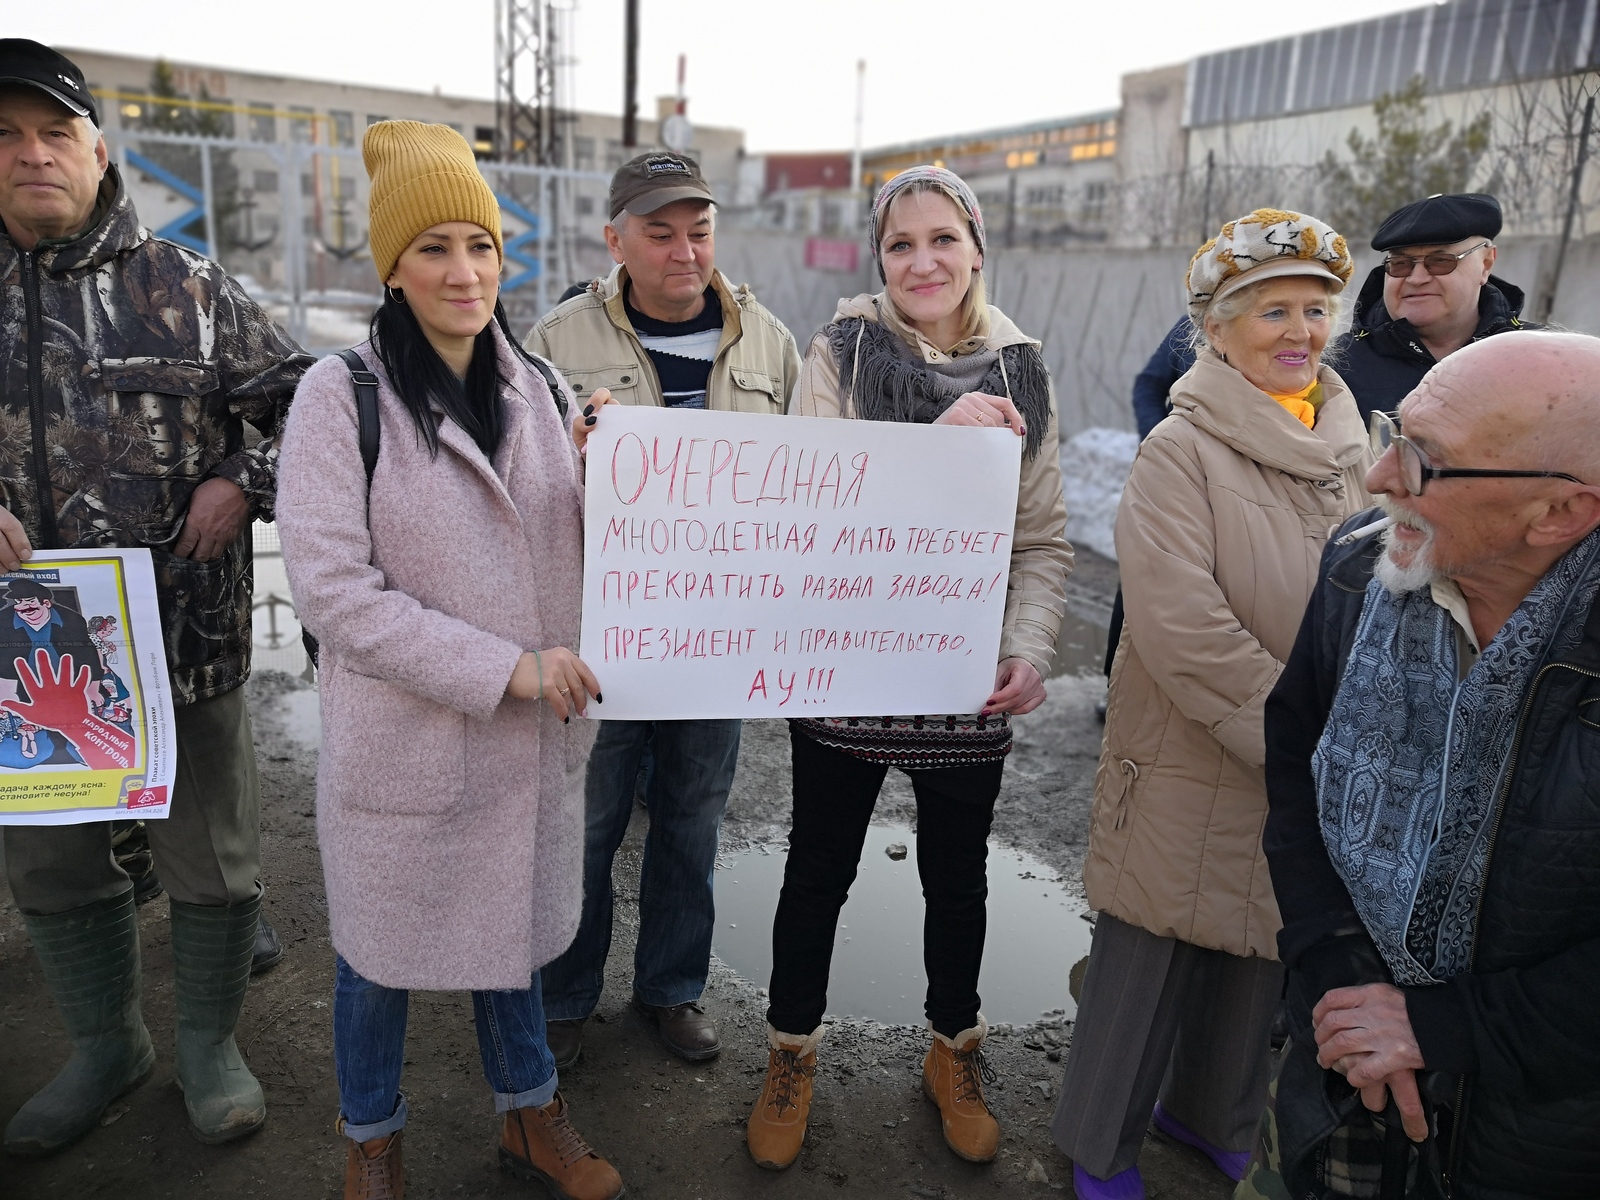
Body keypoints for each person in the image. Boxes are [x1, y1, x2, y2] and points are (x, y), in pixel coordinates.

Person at [276, 121, 622, 1200]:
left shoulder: (550, 395)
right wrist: (503, 671)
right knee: (377, 962)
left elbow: (592, 546)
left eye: (479, 244)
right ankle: (371, 1137)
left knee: (507, 940)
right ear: (391, 264)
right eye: (432, 248)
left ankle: (529, 1114)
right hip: (414, 747)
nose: (462, 272)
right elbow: (335, 593)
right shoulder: (343, 398)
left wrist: (618, 474)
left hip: (524, 749)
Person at [0, 40, 311, 1154]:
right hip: (31, 669)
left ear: (97, 148)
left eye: (53, 133)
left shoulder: (184, 286)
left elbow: (306, 410)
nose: (30, 154)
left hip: (187, 639)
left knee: (211, 858)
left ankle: (205, 1048)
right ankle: (106, 1046)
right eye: (5, 136)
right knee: (54, 861)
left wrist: (239, 479)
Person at [740, 165, 1072, 1171]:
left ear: (977, 246)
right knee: (818, 872)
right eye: (899, 243)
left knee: (956, 878)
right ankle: (790, 1051)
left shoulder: (1024, 371)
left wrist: (1028, 646)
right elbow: (817, 508)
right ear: (877, 258)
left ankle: (952, 1049)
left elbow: (1043, 541)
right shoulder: (839, 354)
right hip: (847, 667)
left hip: (962, 682)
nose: (920, 260)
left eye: (941, 238)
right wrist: (938, 444)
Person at [1051, 209, 1375, 1200]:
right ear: (1218, 331)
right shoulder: (1179, 453)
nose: (1299, 330)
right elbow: (1179, 628)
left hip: (1298, 761)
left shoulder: (1354, 447)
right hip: (1199, 755)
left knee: (1254, 959)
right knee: (1147, 962)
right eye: (1271, 309)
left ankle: (1209, 1115)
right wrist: (1300, 738)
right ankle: (1095, 1143)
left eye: (1315, 309)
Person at [1243, 331, 1600, 1200]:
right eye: (1391, 432)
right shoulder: (1359, 569)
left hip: (1535, 1137)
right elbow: (1295, 773)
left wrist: (1447, 1026)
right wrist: (1335, 971)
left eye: (1426, 461)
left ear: (1557, 513)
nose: (1379, 478)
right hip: (1333, 1081)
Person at [523, 151, 803, 1068]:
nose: (684, 251)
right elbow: (519, 488)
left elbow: (809, 485)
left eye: (699, 229)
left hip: (715, 642)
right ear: (615, 240)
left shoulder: (767, 342)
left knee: (692, 817)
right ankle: (564, 996)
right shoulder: (555, 344)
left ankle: (673, 990)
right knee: (590, 823)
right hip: (603, 639)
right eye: (659, 231)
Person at [1333, 192, 1533, 421]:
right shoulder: (1337, 368)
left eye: (1440, 261)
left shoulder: (1541, 357)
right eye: (1401, 264)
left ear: (1486, 264)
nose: (1417, 279)